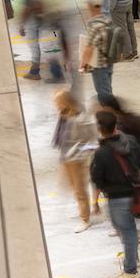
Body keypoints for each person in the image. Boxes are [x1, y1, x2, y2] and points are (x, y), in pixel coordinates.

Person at [89, 110, 140, 278]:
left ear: (100, 128)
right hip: (133, 192)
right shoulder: (129, 141)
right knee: (129, 229)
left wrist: (95, 203)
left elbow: (97, 180)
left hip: (117, 197)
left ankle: (130, 269)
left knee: (126, 232)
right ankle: (133, 258)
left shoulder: (102, 153)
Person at [53, 89, 97, 233]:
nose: (55, 105)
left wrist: (78, 153)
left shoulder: (81, 119)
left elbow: (91, 141)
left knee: (79, 189)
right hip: (66, 157)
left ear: (65, 102)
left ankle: (85, 219)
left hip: (76, 159)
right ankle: (83, 209)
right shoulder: (63, 115)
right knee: (71, 188)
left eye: (57, 102)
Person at [81, 0, 116, 101]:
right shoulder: (108, 21)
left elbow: (89, 48)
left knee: (104, 94)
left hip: (99, 65)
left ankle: (110, 114)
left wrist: (82, 64)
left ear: (89, 6)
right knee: (107, 90)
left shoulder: (94, 26)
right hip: (109, 62)